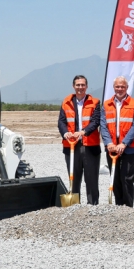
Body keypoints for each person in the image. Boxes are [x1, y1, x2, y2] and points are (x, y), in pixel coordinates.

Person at [57, 75, 102, 205]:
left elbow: (95, 121)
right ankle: (74, 207)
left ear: (86, 86)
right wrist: (65, 133)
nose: (80, 87)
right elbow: (61, 121)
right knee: (73, 177)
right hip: (71, 146)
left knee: (91, 179)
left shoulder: (95, 102)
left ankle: (92, 205)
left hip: (90, 146)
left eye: (83, 85)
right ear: (73, 86)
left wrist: (83, 132)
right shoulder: (66, 102)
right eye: (78, 85)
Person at [100, 76, 134, 207]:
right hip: (112, 147)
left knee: (127, 178)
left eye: (122, 86)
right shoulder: (106, 104)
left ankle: (128, 207)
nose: (120, 89)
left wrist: (124, 143)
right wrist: (109, 143)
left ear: (127, 88)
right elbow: (103, 125)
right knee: (115, 178)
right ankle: (118, 206)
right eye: (117, 86)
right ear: (113, 88)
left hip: (128, 147)